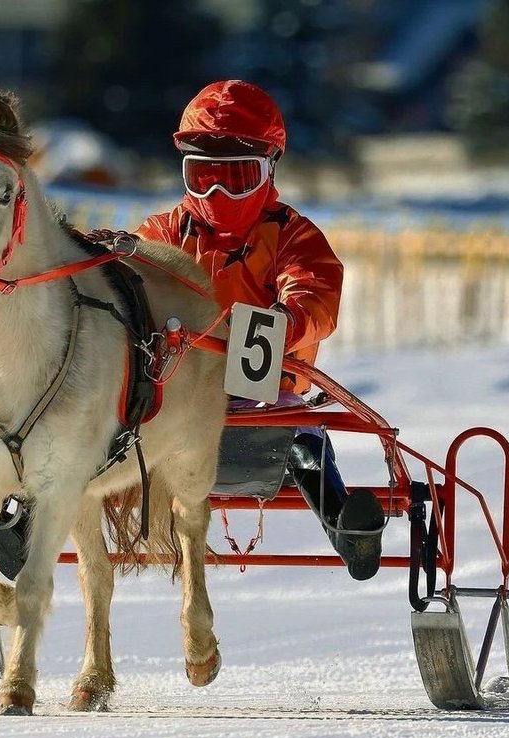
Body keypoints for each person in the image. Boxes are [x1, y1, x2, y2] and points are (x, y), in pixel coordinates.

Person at [136, 80, 384, 580]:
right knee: (96, 422)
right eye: (203, 176)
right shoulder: (164, 234)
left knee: (298, 431)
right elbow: (129, 282)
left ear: (269, 170)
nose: (217, 193)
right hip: (173, 406)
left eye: (237, 177)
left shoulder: (293, 236)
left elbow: (314, 291)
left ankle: (344, 524)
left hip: (261, 407)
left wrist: (288, 322)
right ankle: (31, 518)